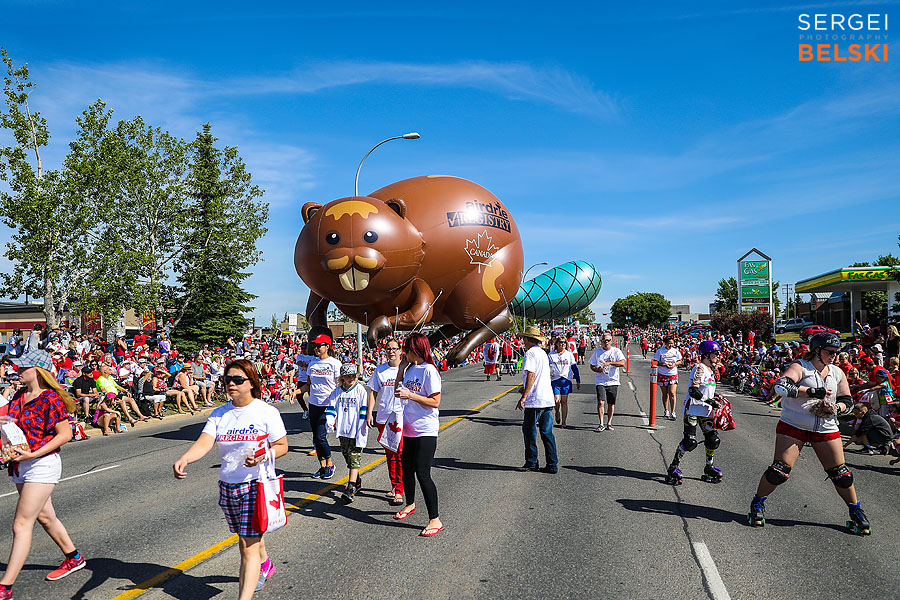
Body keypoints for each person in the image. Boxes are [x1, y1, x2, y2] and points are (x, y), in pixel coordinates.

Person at [174, 359, 288, 599]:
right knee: (247, 539)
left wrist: (262, 456)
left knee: (247, 546)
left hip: (255, 485)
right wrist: (185, 458)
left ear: (251, 383)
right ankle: (264, 564)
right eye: (227, 380)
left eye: (238, 380)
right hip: (228, 486)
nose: (231, 384)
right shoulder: (220, 413)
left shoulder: (266, 412)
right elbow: (205, 441)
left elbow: (282, 446)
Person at [748, 333, 870, 534]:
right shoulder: (801, 366)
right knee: (779, 471)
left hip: (826, 427)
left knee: (842, 474)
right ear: (816, 351)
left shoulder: (837, 372)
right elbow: (781, 385)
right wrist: (811, 392)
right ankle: (758, 503)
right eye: (829, 352)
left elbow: (847, 400)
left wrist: (836, 408)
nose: (834, 355)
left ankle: (856, 510)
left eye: (836, 352)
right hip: (794, 425)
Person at [0, 350, 84, 599]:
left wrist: (33, 454)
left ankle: (5, 586)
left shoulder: (51, 398)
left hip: (42, 463)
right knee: (46, 518)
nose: (17, 370)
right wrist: (8, 448)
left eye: (22, 367)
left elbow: (65, 435)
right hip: (21, 464)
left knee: (21, 524)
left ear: (37, 370)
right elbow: (10, 428)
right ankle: (73, 557)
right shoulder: (18, 396)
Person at [392, 332, 444, 537]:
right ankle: (410, 504)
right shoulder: (411, 368)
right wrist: (401, 370)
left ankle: (435, 519)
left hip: (426, 429)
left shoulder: (430, 370)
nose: (404, 351)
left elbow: (435, 401)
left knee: (423, 473)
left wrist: (411, 395)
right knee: (406, 469)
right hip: (409, 427)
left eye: (407, 348)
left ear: (417, 349)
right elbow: (398, 390)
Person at [665, 341, 724, 485]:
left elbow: (707, 389)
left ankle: (709, 467)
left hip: (705, 411)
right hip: (692, 409)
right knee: (690, 442)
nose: (718, 356)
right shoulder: (700, 368)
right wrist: (710, 401)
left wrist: (717, 397)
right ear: (706, 354)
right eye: (715, 353)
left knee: (713, 440)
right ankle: (673, 466)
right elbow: (694, 391)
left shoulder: (710, 370)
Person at [515, 326, 558, 473]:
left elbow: (532, 375)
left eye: (524, 339)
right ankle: (552, 463)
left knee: (529, 430)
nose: (523, 341)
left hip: (536, 399)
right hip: (547, 397)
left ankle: (532, 461)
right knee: (547, 432)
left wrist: (524, 396)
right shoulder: (542, 353)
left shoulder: (530, 354)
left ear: (527, 339)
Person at [366, 338, 404, 505]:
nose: (391, 351)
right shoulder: (380, 370)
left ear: (400, 350)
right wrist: (369, 413)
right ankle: (395, 486)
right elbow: (373, 392)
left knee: (399, 454)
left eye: (394, 348)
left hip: (401, 418)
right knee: (390, 455)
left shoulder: (407, 369)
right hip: (383, 417)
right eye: (388, 348)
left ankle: (400, 489)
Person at [329, 364, 369, 503]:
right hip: (343, 429)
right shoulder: (337, 392)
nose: (351, 378)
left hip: (356, 429)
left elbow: (364, 408)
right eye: (348, 376)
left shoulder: (360, 390)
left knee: (354, 457)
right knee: (347, 456)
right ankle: (356, 481)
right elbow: (331, 407)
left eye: (353, 375)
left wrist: (362, 427)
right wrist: (330, 420)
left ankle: (350, 488)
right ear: (342, 378)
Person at [306, 333, 342, 479]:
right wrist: (295, 391)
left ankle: (330, 463)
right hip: (314, 404)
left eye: (319, 345)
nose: (316, 348)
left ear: (327, 346)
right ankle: (322, 466)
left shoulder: (335, 363)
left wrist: (334, 398)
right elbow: (308, 385)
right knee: (316, 437)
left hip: (328, 404)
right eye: (314, 345)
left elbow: (340, 384)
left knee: (321, 436)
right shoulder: (312, 364)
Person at [589, 333, 626, 431]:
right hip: (600, 381)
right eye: (604, 341)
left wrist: (610, 363)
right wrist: (597, 369)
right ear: (601, 342)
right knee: (601, 402)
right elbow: (592, 365)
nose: (606, 343)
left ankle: (609, 423)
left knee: (611, 403)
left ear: (611, 341)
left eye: (608, 340)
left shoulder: (616, 351)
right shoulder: (597, 352)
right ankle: (601, 423)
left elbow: (622, 363)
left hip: (613, 381)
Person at [548, 338, 580, 427]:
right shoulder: (551, 355)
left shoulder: (569, 354)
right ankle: (557, 412)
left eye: (564, 343)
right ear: (557, 344)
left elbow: (574, 368)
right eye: (561, 342)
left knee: (564, 401)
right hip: (555, 380)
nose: (563, 344)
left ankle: (564, 422)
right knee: (556, 401)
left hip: (566, 380)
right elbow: (546, 368)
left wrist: (578, 380)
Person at [653, 336, 683, 421]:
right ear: (665, 343)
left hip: (673, 374)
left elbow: (680, 361)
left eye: (672, 343)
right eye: (669, 343)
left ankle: (673, 412)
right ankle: (666, 410)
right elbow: (655, 362)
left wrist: (674, 364)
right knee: (665, 394)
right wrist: (664, 365)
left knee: (672, 393)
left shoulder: (675, 351)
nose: (671, 345)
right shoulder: (660, 351)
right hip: (663, 374)